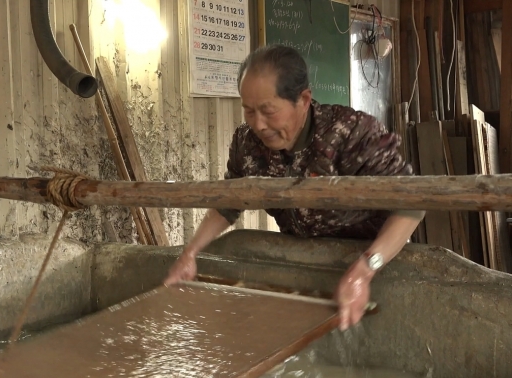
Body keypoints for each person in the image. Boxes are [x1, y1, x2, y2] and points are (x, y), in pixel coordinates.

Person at [164, 45, 424, 331]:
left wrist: (365, 269)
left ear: (303, 99)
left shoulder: (351, 133)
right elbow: (229, 202)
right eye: (249, 111)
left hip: (375, 263)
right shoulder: (246, 143)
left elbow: (411, 203)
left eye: (268, 111)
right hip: (305, 264)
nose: (259, 125)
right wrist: (191, 253)